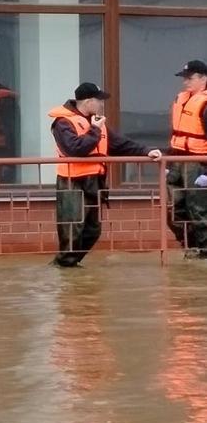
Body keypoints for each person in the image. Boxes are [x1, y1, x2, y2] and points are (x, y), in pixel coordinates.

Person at [48, 82, 162, 268]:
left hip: (93, 182)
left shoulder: (95, 122)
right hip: (72, 182)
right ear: (87, 101)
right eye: (99, 100)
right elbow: (75, 149)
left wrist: (146, 150)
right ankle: (65, 268)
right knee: (72, 229)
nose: (102, 104)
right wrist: (95, 130)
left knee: (93, 230)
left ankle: (69, 265)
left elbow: (120, 144)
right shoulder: (63, 123)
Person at [167, 60, 207, 257]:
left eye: (189, 78)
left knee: (198, 210)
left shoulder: (205, 103)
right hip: (177, 161)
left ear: (203, 78)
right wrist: (168, 160)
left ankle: (204, 252)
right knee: (174, 210)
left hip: (199, 164)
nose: (185, 82)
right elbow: (177, 133)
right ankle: (191, 248)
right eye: (184, 78)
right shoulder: (181, 99)